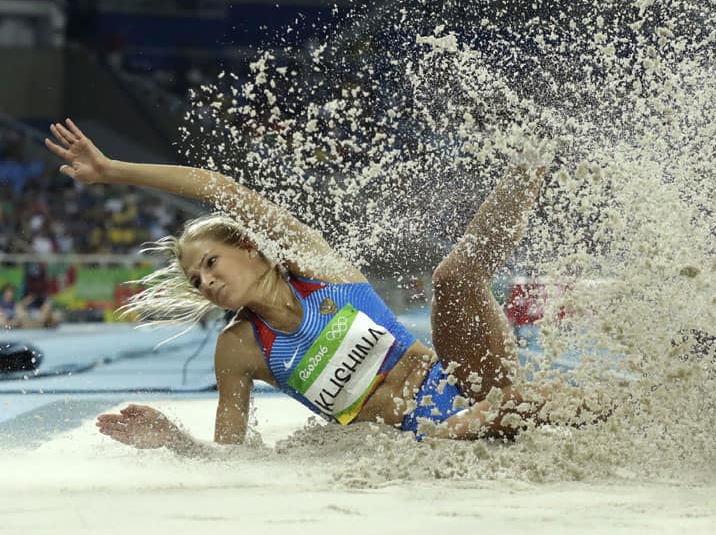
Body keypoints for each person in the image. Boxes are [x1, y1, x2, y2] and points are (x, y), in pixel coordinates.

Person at [45, 118, 607, 454]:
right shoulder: (239, 349)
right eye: (196, 279)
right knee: (504, 412)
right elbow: (233, 456)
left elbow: (219, 187)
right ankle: (597, 414)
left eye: (212, 262)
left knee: (453, 278)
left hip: (459, 380)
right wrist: (174, 442)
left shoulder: (319, 268)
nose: (207, 280)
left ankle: (537, 154)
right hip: (420, 442)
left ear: (249, 248)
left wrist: (113, 170)